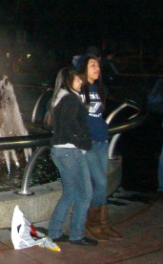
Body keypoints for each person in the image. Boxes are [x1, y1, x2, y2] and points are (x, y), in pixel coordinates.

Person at [75, 54, 123, 240]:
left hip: (102, 141)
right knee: (100, 182)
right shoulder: (79, 88)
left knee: (101, 183)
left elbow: (97, 115)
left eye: (98, 66)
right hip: (88, 143)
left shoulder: (98, 88)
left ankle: (103, 224)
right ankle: (92, 223)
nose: (97, 69)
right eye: (92, 65)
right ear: (83, 68)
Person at [47, 67, 97, 246]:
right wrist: (83, 141)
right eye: (77, 80)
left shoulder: (58, 97)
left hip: (59, 150)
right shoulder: (70, 99)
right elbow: (70, 124)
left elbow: (59, 125)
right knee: (84, 194)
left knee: (69, 194)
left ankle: (54, 232)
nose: (80, 83)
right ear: (69, 81)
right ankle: (77, 234)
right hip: (70, 151)